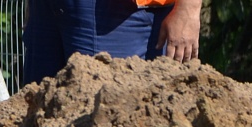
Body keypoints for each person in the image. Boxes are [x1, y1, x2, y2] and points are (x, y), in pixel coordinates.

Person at [22, 0, 201, 84]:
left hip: (118, 12)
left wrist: (189, 8)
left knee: (102, 123)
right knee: (34, 119)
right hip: (48, 8)